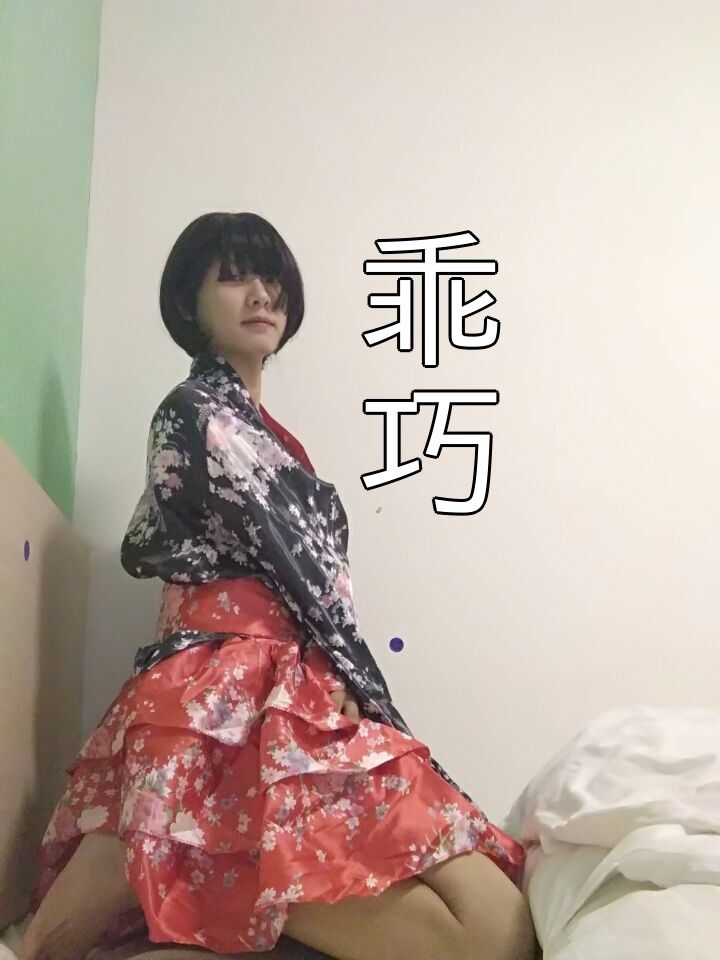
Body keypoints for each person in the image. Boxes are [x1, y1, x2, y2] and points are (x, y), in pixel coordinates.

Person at [19, 212, 536, 960]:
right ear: (189, 302)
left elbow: (306, 577)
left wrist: (338, 673)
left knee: (502, 921)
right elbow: (292, 566)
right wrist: (340, 663)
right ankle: (161, 865)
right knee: (487, 942)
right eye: (233, 278)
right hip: (220, 689)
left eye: (272, 279)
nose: (261, 294)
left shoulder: (272, 437)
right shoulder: (195, 412)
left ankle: (173, 871)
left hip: (299, 687)